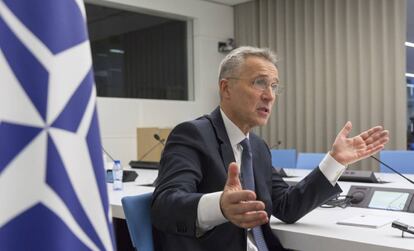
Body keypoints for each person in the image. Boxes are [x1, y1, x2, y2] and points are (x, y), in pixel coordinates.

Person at [151, 46, 389, 251]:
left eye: (274, 86)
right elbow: (165, 205)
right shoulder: (192, 134)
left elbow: (286, 207)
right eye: (259, 83)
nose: (270, 96)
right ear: (226, 89)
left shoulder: (256, 146)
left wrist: (335, 160)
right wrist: (220, 206)